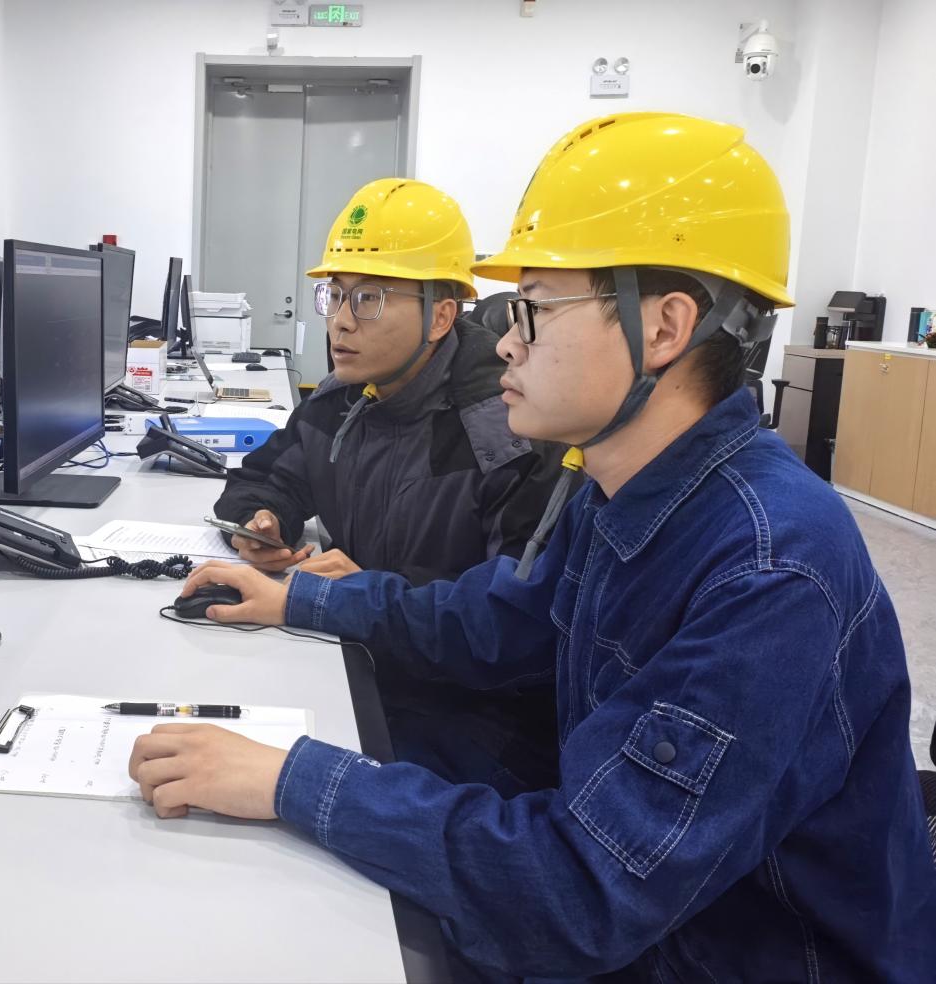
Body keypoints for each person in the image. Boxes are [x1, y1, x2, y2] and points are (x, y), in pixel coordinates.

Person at [129, 112, 936, 980]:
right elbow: (493, 620)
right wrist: (300, 597)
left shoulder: (769, 569)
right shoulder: (621, 487)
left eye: (535, 309)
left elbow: (584, 893)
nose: (507, 341)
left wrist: (295, 783)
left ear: (664, 329)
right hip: (650, 907)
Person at [213, 177, 569, 793]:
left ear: (441, 317)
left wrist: (365, 592)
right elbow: (268, 476)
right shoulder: (342, 399)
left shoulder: (507, 426)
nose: (340, 323)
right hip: (366, 656)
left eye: (370, 300)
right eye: (336, 296)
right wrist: (265, 519)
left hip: (472, 717)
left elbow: (514, 620)